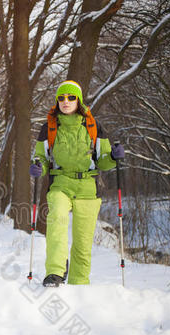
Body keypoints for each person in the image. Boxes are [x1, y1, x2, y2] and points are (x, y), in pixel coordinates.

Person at [29, 80, 124, 286]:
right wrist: (38, 167)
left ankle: (79, 283)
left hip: (88, 187)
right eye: (61, 98)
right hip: (60, 184)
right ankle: (54, 272)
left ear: (78, 100)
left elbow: (104, 162)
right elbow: (41, 158)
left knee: (83, 241)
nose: (66, 101)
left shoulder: (94, 127)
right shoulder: (49, 128)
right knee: (57, 220)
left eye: (71, 97)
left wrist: (114, 157)